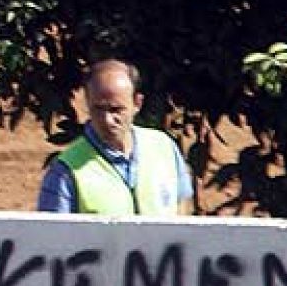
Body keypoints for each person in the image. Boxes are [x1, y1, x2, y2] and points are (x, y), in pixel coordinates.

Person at [36, 59, 193, 215]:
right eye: (98, 109)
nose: (107, 120)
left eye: (116, 109)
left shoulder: (164, 147)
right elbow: (53, 234)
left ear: (137, 104)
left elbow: (181, 208)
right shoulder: (65, 171)